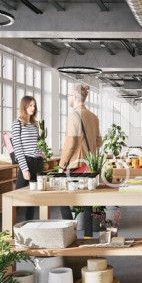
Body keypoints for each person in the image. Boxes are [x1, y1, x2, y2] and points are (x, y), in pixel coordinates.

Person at [58, 84, 102, 231]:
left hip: (75, 165)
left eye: (69, 96)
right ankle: (88, 235)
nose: (68, 99)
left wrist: (62, 165)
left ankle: (70, 232)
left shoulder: (73, 116)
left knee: (62, 200)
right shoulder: (94, 117)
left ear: (75, 97)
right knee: (87, 202)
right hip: (89, 166)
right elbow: (99, 142)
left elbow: (70, 143)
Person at [12, 96, 43, 220]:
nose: (33, 108)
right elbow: (17, 148)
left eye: (34, 105)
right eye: (30, 105)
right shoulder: (17, 123)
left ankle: (29, 222)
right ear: (24, 106)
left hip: (37, 162)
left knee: (33, 196)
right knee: (17, 196)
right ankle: (10, 224)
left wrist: (40, 152)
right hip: (27, 161)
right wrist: (24, 169)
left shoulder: (35, 124)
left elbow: (36, 143)